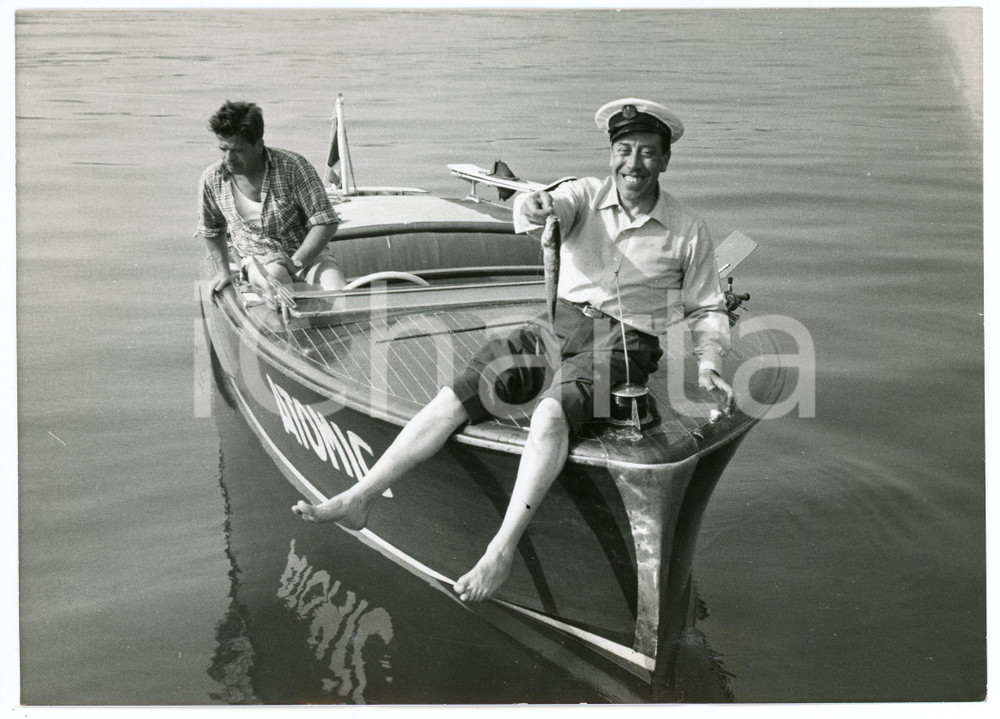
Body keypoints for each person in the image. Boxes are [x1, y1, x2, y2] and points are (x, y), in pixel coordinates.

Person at [292, 98, 734, 603]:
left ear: (665, 159)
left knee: (550, 414)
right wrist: (536, 206)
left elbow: (706, 306)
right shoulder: (582, 194)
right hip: (555, 321)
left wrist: (709, 361)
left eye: (648, 152)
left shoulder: (687, 229)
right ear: (611, 154)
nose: (633, 164)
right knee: (458, 394)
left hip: (625, 344)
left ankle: (499, 552)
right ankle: (359, 497)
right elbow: (540, 208)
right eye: (624, 150)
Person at [197, 100, 346, 293]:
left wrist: (296, 261)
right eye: (223, 149)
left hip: (308, 257)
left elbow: (325, 221)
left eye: (237, 151)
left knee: (339, 291)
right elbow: (212, 230)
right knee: (276, 276)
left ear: (259, 145)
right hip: (257, 260)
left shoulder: (293, 167)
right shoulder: (212, 179)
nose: (228, 158)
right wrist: (223, 271)